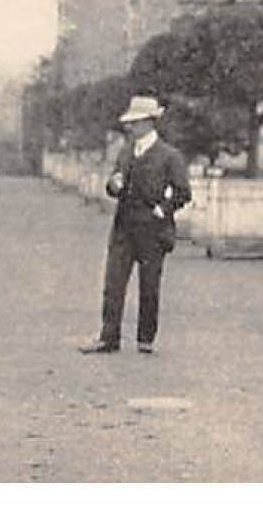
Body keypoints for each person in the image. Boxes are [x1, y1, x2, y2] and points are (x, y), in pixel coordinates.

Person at [80, 95, 191, 356]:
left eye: (135, 122)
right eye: (130, 123)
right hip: (124, 226)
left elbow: (183, 192)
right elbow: (113, 183)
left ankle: (145, 339)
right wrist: (114, 185)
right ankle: (109, 337)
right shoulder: (126, 151)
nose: (130, 127)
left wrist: (162, 209)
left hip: (153, 229)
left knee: (149, 284)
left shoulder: (169, 156)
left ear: (149, 123)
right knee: (113, 282)